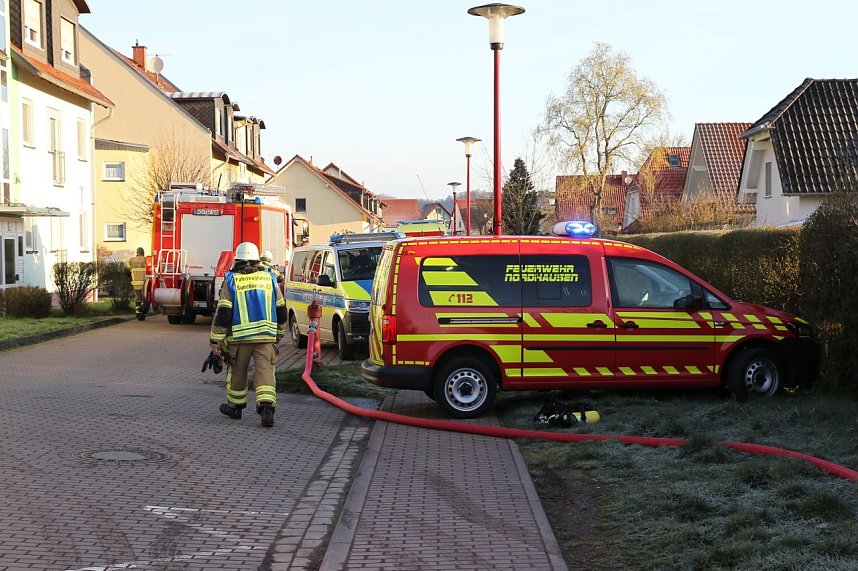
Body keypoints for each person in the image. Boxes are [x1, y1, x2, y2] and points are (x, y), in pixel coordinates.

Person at [210, 242, 288, 427]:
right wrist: (280, 332)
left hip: (240, 338)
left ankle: (235, 407)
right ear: (256, 260)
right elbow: (281, 309)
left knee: (237, 372)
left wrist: (215, 340)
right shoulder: (269, 279)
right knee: (265, 371)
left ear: (237, 260)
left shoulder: (231, 280)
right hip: (266, 336)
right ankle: (267, 407)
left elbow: (223, 314)